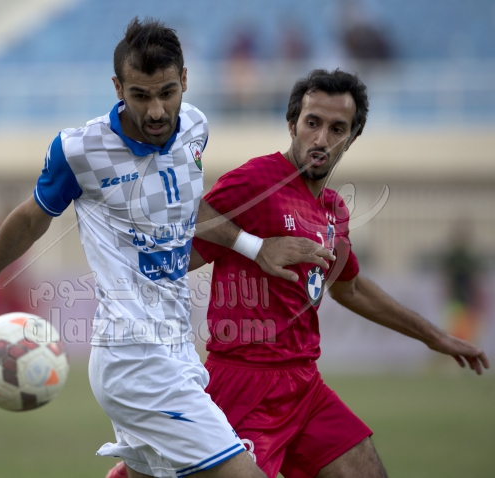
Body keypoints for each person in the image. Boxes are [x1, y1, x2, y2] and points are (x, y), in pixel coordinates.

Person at [0, 18, 334, 478]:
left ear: (185, 79)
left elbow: (188, 206)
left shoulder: (195, 127)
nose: (156, 110)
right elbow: (30, 217)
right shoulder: (80, 150)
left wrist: (253, 247)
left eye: (167, 92)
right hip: (134, 360)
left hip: (177, 349)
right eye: (140, 95)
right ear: (117, 88)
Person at [108, 69, 490, 478]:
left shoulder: (334, 211)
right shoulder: (256, 182)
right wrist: (251, 247)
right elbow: (181, 245)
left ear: (352, 138)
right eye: (312, 123)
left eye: (337, 128)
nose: (321, 139)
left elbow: (352, 289)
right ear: (292, 125)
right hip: (244, 385)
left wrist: (433, 336)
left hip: (305, 387)